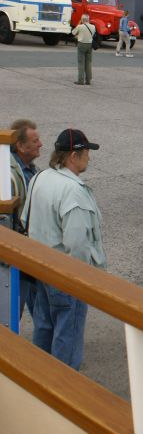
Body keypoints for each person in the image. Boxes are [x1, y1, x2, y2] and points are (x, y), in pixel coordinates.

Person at [21, 129, 106, 370]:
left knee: (44, 326)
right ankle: (63, 390)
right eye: (86, 151)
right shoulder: (74, 191)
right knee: (67, 335)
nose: (89, 156)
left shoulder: (39, 177)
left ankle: (40, 380)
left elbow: (26, 219)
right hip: (65, 275)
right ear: (73, 156)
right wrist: (81, 280)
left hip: (41, 268)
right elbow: (77, 243)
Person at [9, 119, 42, 317]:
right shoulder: (11, 173)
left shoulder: (30, 169)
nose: (40, 144)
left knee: (38, 307)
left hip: (30, 250)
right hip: (18, 251)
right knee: (12, 311)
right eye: (35, 140)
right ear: (20, 146)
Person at [72, 14, 96, 85]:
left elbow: (73, 32)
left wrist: (79, 23)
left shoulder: (80, 26)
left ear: (82, 20)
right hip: (89, 45)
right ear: (88, 19)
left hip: (81, 44)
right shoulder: (93, 27)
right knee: (88, 63)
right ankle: (88, 80)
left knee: (81, 63)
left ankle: (81, 80)